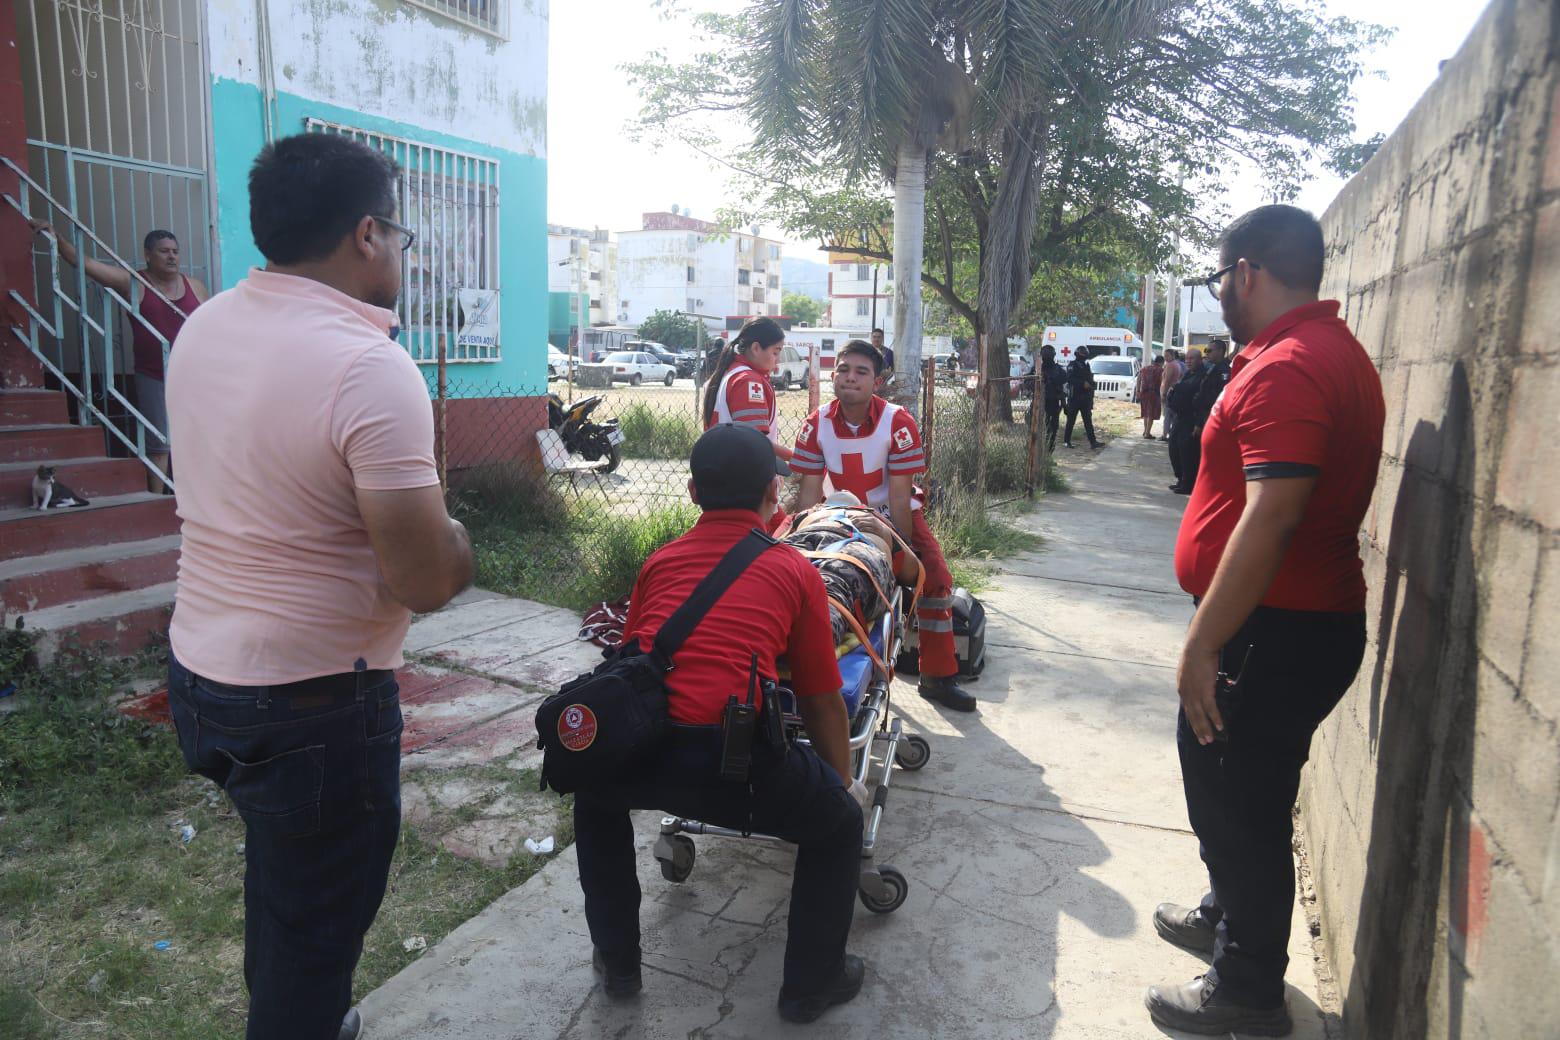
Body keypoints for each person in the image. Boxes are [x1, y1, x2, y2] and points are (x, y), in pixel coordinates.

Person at [164, 133, 474, 1040]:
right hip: (311, 706)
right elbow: (426, 578)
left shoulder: (204, 326)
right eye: (401, 236)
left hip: (203, 675)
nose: (402, 254)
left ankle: (300, 1012)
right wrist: (460, 538)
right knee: (314, 932)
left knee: (286, 886)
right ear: (367, 234)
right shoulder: (366, 365)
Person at [1146, 205, 1385, 1035]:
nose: (1219, 293)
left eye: (1219, 278)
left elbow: (1273, 514)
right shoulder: (1319, 351)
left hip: (1271, 630)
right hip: (1284, 623)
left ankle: (1246, 987)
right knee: (1234, 787)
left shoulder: (1291, 365)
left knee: (1239, 803)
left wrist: (1204, 642)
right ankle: (1228, 912)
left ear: (1245, 273)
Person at [573, 423, 867, 1024]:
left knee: (595, 797)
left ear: (692, 493)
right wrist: (840, 783)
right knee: (838, 825)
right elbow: (819, 698)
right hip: (736, 765)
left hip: (643, 750)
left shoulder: (658, 562)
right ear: (774, 495)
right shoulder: (794, 570)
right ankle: (810, 987)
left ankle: (619, 962)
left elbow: (632, 665)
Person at [791, 340, 978, 712]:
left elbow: (899, 497)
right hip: (836, 517)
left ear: (877, 382)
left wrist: (901, 551)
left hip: (892, 516)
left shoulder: (898, 422)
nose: (850, 377)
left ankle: (937, 676)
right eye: (843, 369)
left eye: (861, 372)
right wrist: (801, 539)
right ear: (833, 375)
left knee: (935, 577)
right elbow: (809, 493)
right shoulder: (816, 423)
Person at [27, 220, 209, 492]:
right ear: (148, 255)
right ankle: (156, 500)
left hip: (194, 376)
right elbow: (84, 263)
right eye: (163, 251)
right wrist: (58, 239)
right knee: (159, 443)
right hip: (154, 376)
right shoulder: (135, 283)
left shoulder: (194, 286)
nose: (171, 256)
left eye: (175, 251)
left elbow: (212, 324)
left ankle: (199, 497)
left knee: (198, 438)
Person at [1172, 339, 1232, 494]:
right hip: (1192, 415)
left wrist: (1199, 422)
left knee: (1190, 452)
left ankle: (1190, 483)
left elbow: (1213, 399)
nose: (1207, 353)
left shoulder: (1223, 371)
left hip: (1205, 418)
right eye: (1206, 350)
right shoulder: (1211, 369)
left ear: (1220, 351)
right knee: (1179, 449)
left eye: (1209, 350)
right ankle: (1184, 480)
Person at [1166, 348, 1205, 493]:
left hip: (1191, 418)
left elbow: (1201, 398)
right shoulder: (1188, 373)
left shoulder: (1203, 375)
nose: (1188, 361)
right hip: (1179, 416)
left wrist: (1199, 423)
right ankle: (1181, 478)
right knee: (1174, 447)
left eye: (1192, 358)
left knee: (1187, 452)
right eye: (1187, 359)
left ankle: (1188, 483)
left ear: (1199, 359)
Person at [1063, 345, 1100, 449]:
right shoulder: (1072, 365)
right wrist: (1082, 383)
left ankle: (1093, 442)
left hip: (1085, 398)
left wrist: (1092, 385)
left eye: (1085, 353)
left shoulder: (1086, 365)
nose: (1083, 355)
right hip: (1074, 397)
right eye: (1082, 353)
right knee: (1071, 420)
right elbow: (1070, 379)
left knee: (1088, 421)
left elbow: (1089, 379)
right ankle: (1067, 441)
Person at [1039, 344, 1067, 452]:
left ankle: (1048, 450)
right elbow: (1028, 383)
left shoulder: (1058, 369)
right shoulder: (1038, 368)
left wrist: (1051, 379)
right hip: (1040, 403)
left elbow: (1064, 381)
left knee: (1052, 429)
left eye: (1048, 354)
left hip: (1053, 402)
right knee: (1040, 427)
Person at [1160, 348, 1186, 442]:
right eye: (1164, 356)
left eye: (1167, 355)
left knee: (1167, 415)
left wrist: (1164, 393)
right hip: (1174, 392)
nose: (1165, 358)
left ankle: (1165, 435)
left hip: (1169, 392)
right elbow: (1182, 376)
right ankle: (1171, 434)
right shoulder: (1177, 364)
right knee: (1172, 414)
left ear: (1172, 356)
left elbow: (1167, 380)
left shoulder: (1171, 365)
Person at [1137, 355, 1164, 438]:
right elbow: (1163, 382)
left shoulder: (1145, 368)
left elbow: (1138, 379)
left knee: (1146, 413)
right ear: (1161, 362)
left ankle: (1145, 431)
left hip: (1144, 393)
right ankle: (1147, 433)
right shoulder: (1161, 370)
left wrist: (1138, 390)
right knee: (1151, 414)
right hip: (1154, 394)